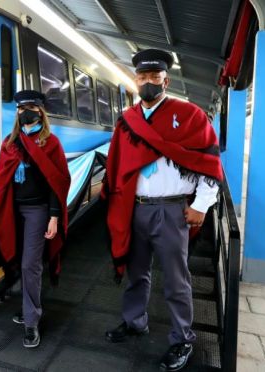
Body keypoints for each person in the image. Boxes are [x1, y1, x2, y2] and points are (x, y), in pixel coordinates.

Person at [101, 49, 223, 371]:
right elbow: (117, 166)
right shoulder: (127, 122)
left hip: (172, 211)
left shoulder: (191, 116)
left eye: (154, 78)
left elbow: (210, 163)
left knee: (176, 279)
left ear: (166, 80)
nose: (148, 83)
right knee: (136, 272)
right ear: (135, 80)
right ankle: (134, 320)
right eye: (142, 78)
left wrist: (200, 205)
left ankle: (182, 338)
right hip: (136, 209)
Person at [0, 90, 70, 348]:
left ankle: (31, 322)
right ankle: (29, 307)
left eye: (31, 107)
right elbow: (0, 181)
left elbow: (57, 182)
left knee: (30, 265)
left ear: (40, 111)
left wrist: (54, 216)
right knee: (18, 260)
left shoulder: (51, 143)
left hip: (37, 211)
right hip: (13, 212)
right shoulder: (9, 142)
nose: (25, 112)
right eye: (20, 108)